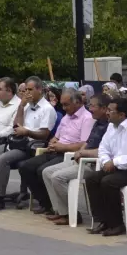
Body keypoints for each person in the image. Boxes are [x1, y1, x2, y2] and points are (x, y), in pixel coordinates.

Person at [0, 76, 55, 210]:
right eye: (25, 89)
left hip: (31, 146)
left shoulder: (47, 109)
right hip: (16, 143)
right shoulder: (27, 106)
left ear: (39, 90)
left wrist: (27, 132)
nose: (27, 93)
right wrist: (21, 106)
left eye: (30, 89)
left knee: (3, 159)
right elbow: (16, 125)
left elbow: (44, 134)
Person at [82, 97, 127, 236]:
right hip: (121, 168)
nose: (107, 113)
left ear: (122, 115)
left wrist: (114, 162)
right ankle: (102, 220)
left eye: (110, 110)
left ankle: (116, 224)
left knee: (108, 182)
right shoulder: (112, 126)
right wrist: (106, 162)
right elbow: (103, 149)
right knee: (91, 178)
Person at [18, 88, 93, 216]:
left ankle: (56, 207)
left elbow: (83, 144)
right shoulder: (66, 117)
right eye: (62, 104)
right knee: (24, 166)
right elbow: (56, 136)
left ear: (78, 103)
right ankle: (46, 202)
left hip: (69, 154)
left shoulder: (87, 118)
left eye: (66, 104)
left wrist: (62, 147)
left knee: (42, 170)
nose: (63, 108)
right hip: (56, 151)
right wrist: (53, 143)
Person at [42, 93, 111, 225]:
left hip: (93, 165)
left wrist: (84, 153)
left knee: (58, 177)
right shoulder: (97, 123)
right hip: (82, 160)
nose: (90, 108)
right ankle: (62, 211)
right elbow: (87, 142)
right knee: (47, 172)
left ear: (104, 108)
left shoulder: (109, 126)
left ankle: (73, 213)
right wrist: (80, 152)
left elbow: (104, 151)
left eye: (92, 106)